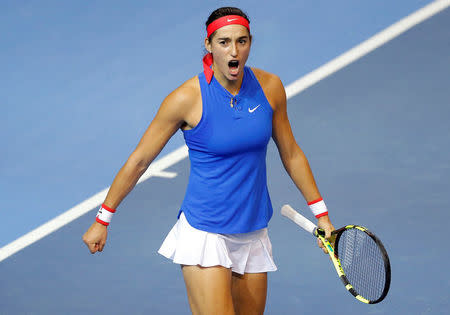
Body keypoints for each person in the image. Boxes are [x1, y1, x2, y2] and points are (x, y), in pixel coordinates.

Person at [83, 7, 335, 315]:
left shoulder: (270, 88)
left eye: (241, 41)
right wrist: (102, 220)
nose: (234, 51)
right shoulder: (186, 99)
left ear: (250, 43)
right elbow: (140, 160)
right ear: (209, 45)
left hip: (253, 229)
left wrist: (321, 215)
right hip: (206, 233)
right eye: (224, 42)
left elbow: (291, 153)